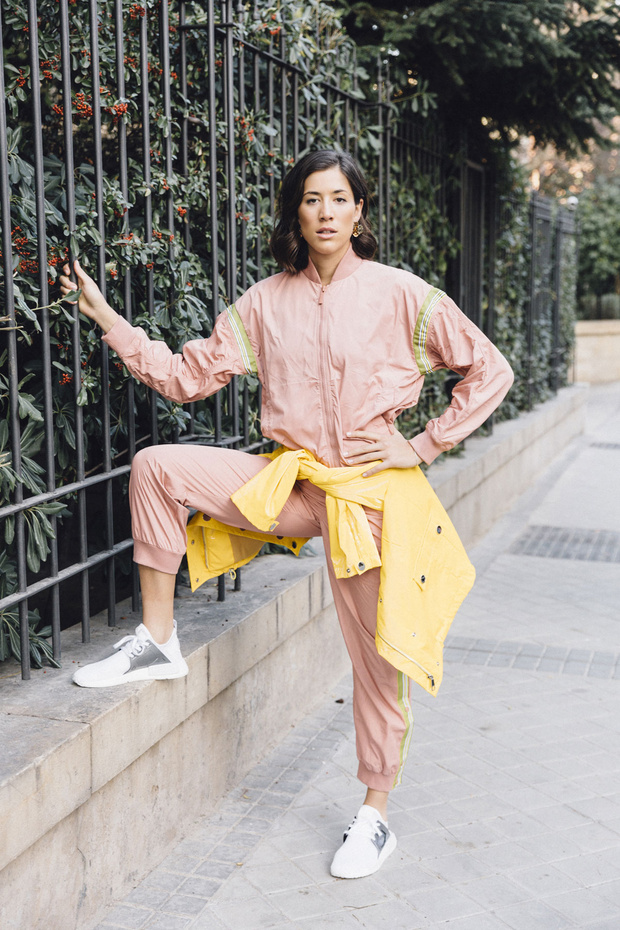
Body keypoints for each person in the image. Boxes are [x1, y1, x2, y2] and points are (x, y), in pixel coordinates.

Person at [59, 149, 513, 880]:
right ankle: (158, 641)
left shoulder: (402, 293)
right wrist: (108, 318)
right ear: (295, 214)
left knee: (377, 659)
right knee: (157, 467)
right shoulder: (265, 303)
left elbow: (490, 368)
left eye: (339, 198)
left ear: (359, 211)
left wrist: (424, 444)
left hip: (367, 500)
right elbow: (184, 377)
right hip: (296, 487)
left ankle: (375, 813)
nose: (325, 212)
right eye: (311, 199)